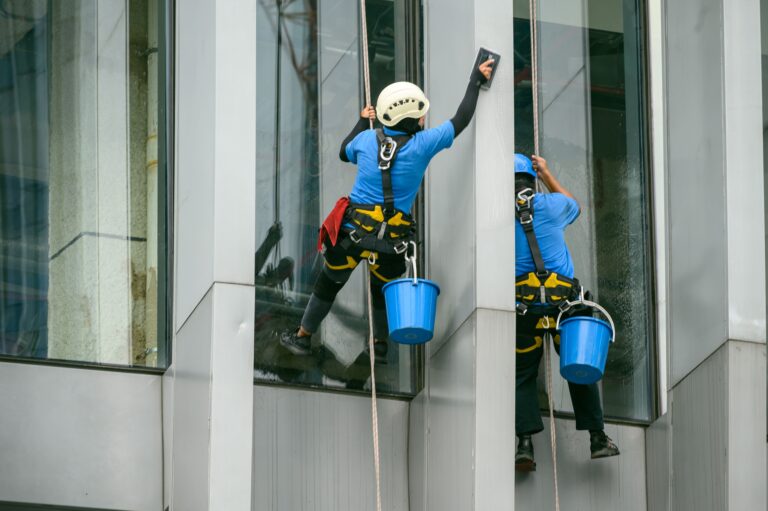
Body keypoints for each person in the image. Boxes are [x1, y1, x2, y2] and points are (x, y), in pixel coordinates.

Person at [279, 57, 495, 363]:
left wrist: (362, 120)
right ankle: (379, 346)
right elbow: (461, 118)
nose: (423, 120)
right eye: (420, 116)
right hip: (391, 242)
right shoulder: (423, 145)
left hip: (351, 235)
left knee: (329, 282)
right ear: (412, 121)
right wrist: (476, 80)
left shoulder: (367, 139)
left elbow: (343, 151)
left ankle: (302, 337)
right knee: (381, 290)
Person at [513, 153, 620, 471]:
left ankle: (525, 445)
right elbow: (575, 205)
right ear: (531, 181)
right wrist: (547, 173)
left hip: (526, 308)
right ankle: (597, 437)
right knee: (579, 365)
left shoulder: (498, 216)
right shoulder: (551, 206)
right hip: (564, 307)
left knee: (523, 376)